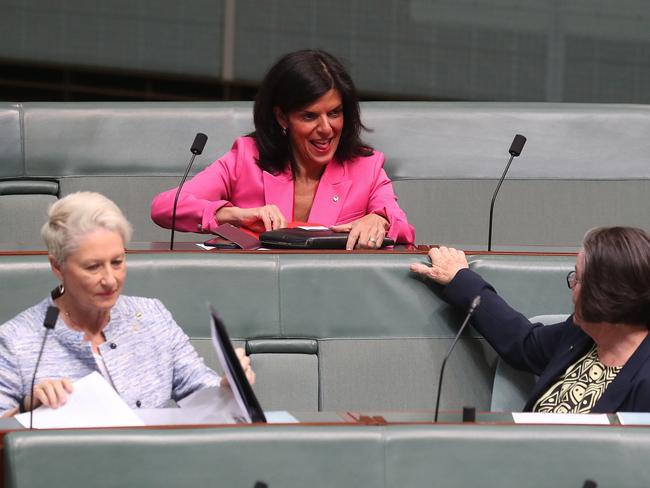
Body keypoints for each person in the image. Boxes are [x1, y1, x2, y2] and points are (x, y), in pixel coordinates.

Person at [0, 192, 255, 417]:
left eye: (118, 262)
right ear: (58, 266)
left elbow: (197, 387)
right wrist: (25, 409)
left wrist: (228, 387)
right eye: (93, 266)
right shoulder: (15, 340)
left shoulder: (151, 315)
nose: (110, 280)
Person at [151, 49, 415, 250]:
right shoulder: (246, 158)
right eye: (310, 116)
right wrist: (232, 215)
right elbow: (164, 207)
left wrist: (379, 221)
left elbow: (404, 229)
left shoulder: (365, 167)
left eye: (334, 113)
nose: (326, 128)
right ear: (282, 118)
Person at [410, 227, 650, 413]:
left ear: (609, 295)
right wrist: (460, 279)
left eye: (577, 279)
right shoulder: (583, 335)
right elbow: (522, 341)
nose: (572, 289)